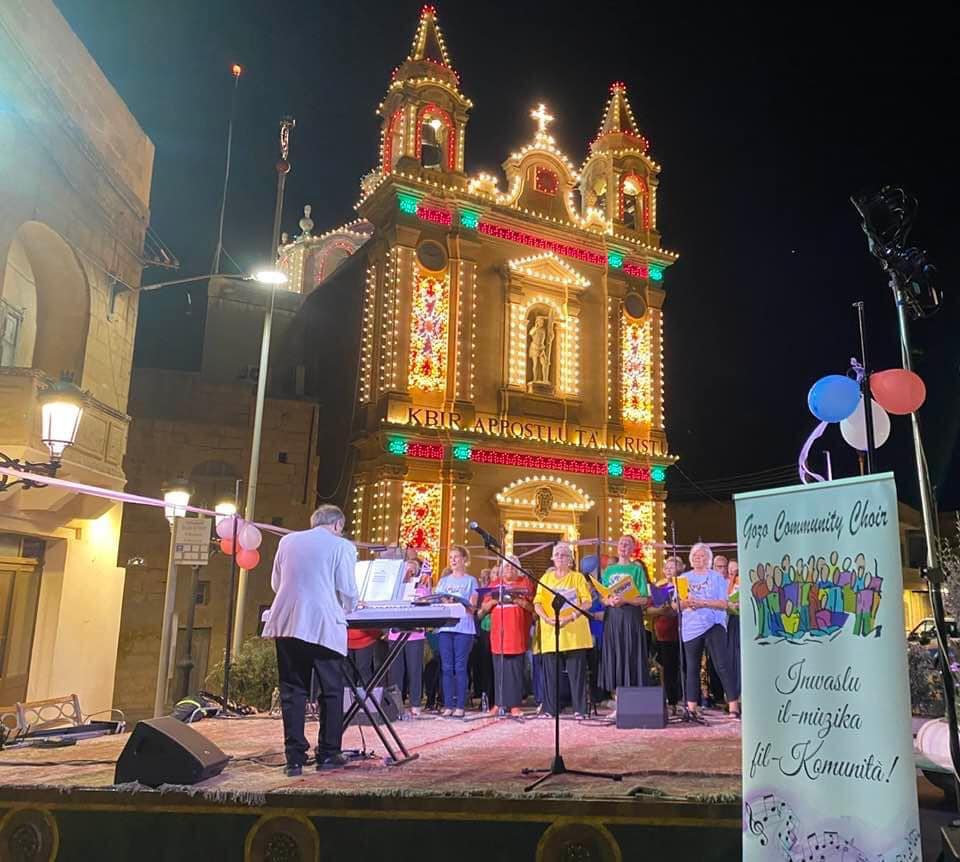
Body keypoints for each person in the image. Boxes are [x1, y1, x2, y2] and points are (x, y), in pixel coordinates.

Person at [261, 504, 358, 776]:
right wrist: (351, 606)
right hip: (323, 623)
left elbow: (275, 583)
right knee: (331, 690)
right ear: (338, 525)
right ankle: (328, 753)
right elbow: (348, 589)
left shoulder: (287, 540)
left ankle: (294, 757)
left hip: (287, 620)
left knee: (293, 690)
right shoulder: (342, 546)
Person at [678, 543, 740, 719]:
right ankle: (691, 708)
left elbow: (723, 604)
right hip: (691, 626)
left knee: (722, 664)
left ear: (709, 559)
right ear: (691, 559)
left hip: (714, 623)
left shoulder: (717, 578)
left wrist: (702, 603)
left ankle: (733, 706)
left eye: (703, 556)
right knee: (692, 667)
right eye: (696, 556)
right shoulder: (683, 578)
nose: (699, 559)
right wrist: (686, 603)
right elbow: (677, 604)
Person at [534, 541, 593, 719]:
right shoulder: (545, 579)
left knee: (577, 674)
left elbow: (587, 602)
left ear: (571, 560)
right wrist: (545, 618)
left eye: (564, 555)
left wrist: (570, 617)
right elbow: (537, 603)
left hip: (574, 632)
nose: (560, 557)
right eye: (557, 554)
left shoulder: (578, 578)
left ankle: (580, 710)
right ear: (552, 558)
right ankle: (551, 709)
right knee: (551, 674)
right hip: (551, 631)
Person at [599, 535, 651, 716]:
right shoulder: (609, 570)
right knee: (614, 655)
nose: (623, 546)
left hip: (630, 617)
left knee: (629, 654)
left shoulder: (636, 570)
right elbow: (602, 595)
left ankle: (631, 701)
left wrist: (625, 599)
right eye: (621, 543)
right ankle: (617, 701)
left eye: (627, 544)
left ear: (633, 548)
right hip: (613, 617)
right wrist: (609, 600)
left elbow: (644, 598)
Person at [480, 556, 534, 716]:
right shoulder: (495, 584)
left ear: (518, 569)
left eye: (513, 567)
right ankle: (498, 704)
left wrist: (519, 601)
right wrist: (492, 603)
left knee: (515, 671)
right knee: (499, 669)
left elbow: (532, 607)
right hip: (498, 633)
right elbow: (484, 606)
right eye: (507, 567)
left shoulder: (525, 583)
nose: (509, 570)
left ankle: (515, 705)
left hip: (516, 632)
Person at [436, 546, 479, 718]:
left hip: (464, 629)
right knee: (446, 668)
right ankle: (448, 705)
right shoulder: (444, 581)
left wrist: (457, 602)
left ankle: (460, 705)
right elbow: (438, 601)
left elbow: (472, 607)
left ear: (464, 559)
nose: (453, 560)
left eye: (456, 557)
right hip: (445, 627)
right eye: (451, 557)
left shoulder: (471, 581)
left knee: (460, 667)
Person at [388, 559, 431, 716]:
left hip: (415, 634)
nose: (409, 570)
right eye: (407, 567)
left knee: (414, 670)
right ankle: (396, 705)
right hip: (396, 634)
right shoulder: (396, 587)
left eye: (413, 567)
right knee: (396, 671)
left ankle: (415, 704)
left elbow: (427, 604)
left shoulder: (422, 587)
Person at [648, 555, 682, 711]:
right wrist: (661, 609)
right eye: (666, 567)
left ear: (681, 569)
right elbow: (648, 608)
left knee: (679, 667)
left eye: (673, 567)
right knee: (666, 667)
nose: (669, 570)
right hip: (662, 631)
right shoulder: (659, 586)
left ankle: (682, 699)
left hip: (681, 631)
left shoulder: (684, 585)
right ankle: (670, 699)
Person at [726, 559, 742, 704]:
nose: (732, 572)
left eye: (735, 569)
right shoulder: (726, 583)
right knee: (731, 658)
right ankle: (733, 696)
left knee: (740, 658)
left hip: (741, 622)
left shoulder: (742, 581)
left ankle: (741, 694)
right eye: (730, 569)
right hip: (730, 622)